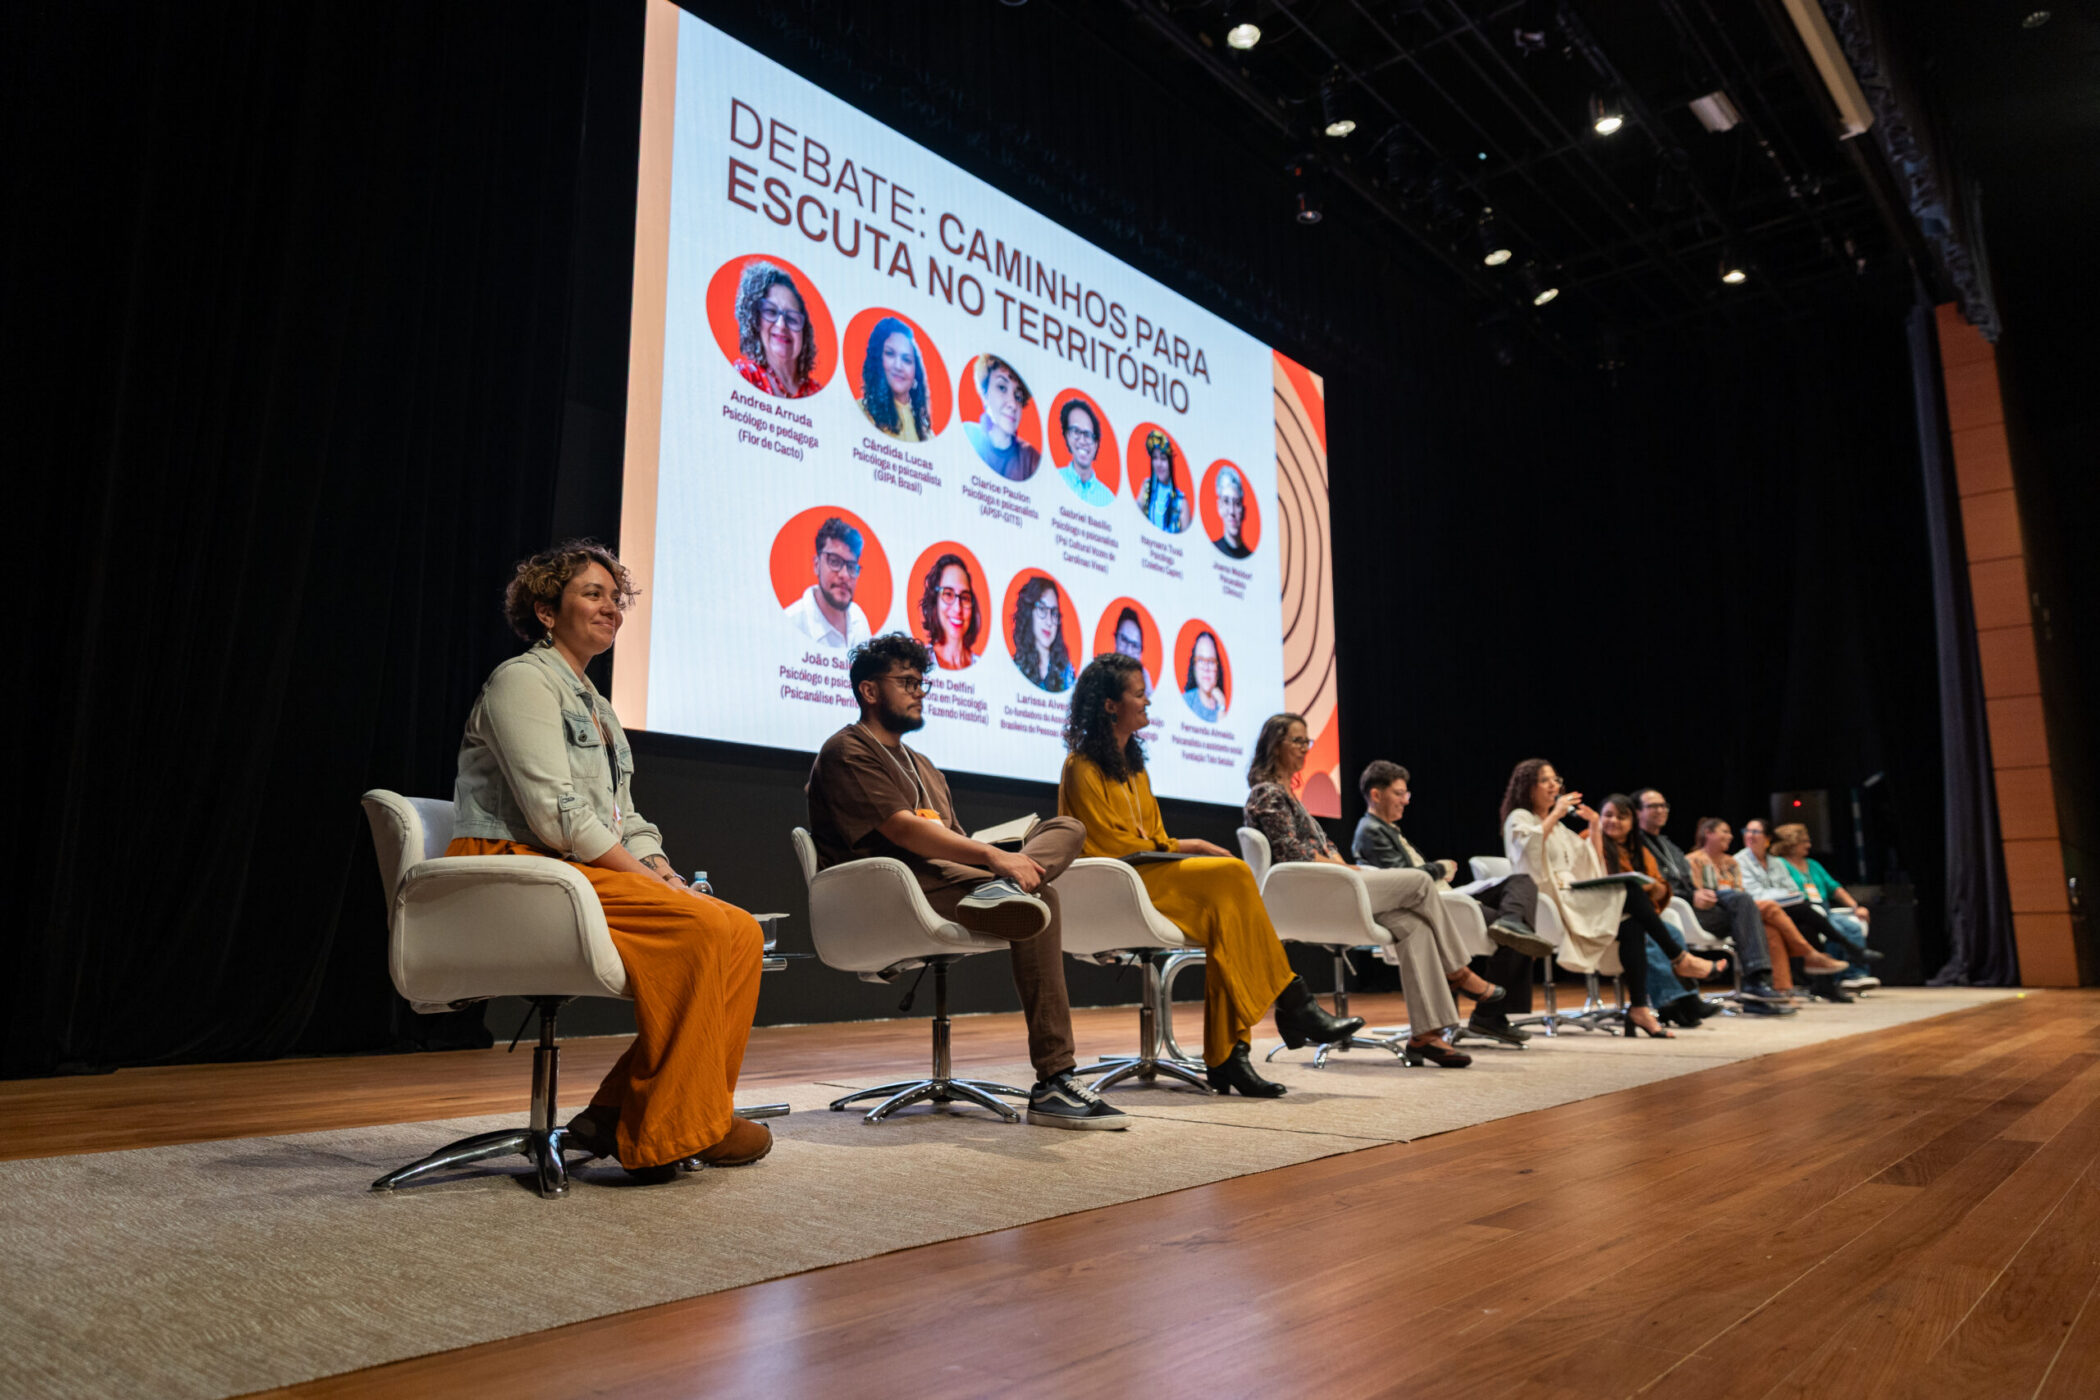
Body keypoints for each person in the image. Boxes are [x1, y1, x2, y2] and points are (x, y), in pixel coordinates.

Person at [449, 541, 769, 1180]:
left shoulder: (598, 706)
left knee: (738, 928)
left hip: (572, 869)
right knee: (703, 929)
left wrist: (670, 878)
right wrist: (658, 888)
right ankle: (669, 1130)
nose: (611, 609)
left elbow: (628, 818)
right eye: (592, 595)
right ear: (545, 611)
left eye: (615, 599)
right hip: (516, 868)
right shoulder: (522, 681)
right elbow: (555, 816)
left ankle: (636, 1113)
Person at [804, 634, 1125, 1130]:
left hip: (946, 880)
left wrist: (999, 859)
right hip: (890, 891)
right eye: (906, 682)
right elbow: (904, 829)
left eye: (921, 682)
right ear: (869, 691)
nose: (919, 692)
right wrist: (995, 859)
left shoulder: (924, 765)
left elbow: (949, 836)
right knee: (1046, 901)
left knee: (1066, 828)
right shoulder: (846, 749)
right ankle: (1055, 1079)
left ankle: (1002, 892)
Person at [1059, 654, 1364, 1096]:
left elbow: (1155, 837)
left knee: (1229, 915)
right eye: (1139, 694)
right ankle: (1292, 1004)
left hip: (1149, 877)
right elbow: (1109, 845)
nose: (1148, 702)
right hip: (1119, 887)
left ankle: (1229, 1058)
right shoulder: (1081, 767)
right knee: (1232, 877)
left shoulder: (1135, 766)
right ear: (1109, 705)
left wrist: (1192, 845)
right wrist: (1180, 848)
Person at [1246, 721, 1495, 1067]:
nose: (1306, 747)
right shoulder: (1266, 794)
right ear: (1275, 745)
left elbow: (1323, 847)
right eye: (1298, 740)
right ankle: (1458, 970)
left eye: (1308, 740)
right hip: (1314, 894)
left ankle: (1427, 1035)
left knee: (1413, 925)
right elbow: (1291, 852)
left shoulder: (1286, 794)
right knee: (1420, 883)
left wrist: (1341, 865)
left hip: (1329, 885)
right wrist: (1346, 870)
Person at [1498, 759, 1714, 1041]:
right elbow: (1526, 856)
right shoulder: (1520, 818)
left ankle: (1638, 1008)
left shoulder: (1562, 829)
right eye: (1546, 780)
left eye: (1556, 780)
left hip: (1572, 897)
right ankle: (1680, 957)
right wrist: (1556, 814)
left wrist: (1595, 825)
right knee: (1631, 890)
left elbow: (1591, 865)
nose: (1555, 786)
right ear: (1528, 786)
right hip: (1548, 902)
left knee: (1634, 926)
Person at [1352, 760, 1553, 1047]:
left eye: (1406, 794)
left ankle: (1511, 924)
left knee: (1521, 883)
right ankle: (1488, 1013)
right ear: (1376, 795)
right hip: (1430, 903)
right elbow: (1403, 881)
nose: (1405, 801)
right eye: (1399, 794)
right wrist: (1439, 868)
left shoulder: (1389, 829)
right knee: (1517, 928)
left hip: (1442, 896)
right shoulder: (1371, 831)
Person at [1631, 789, 1791, 1014]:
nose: (1660, 810)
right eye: (1653, 806)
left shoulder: (1669, 845)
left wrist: (1700, 892)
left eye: (1663, 805)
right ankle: (1757, 987)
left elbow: (1688, 881)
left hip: (1697, 904)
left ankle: (1758, 984)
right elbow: (1650, 885)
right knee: (1760, 915)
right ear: (1637, 812)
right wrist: (1692, 896)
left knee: (1743, 902)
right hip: (1674, 909)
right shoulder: (1636, 844)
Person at [1591, 795, 1723, 1036]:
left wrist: (1649, 886)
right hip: (1597, 912)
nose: (1614, 821)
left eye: (1621, 817)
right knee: (1634, 895)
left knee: (1655, 928)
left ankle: (1652, 1007)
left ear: (1632, 822)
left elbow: (1661, 887)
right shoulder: (1590, 839)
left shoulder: (1638, 850)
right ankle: (1680, 981)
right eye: (1608, 815)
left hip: (1630, 918)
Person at [1685, 817, 1845, 999]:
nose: (1731, 836)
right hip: (1712, 914)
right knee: (1771, 907)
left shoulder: (1731, 862)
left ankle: (1780, 991)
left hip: (1738, 912)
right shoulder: (1693, 861)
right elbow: (1698, 895)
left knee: (1771, 929)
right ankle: (1809, 954)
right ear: (1708, 833)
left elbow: (1739, 890)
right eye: (1725, 831)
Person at [1738, 818, 1857, 1002]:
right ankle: (1829, 953)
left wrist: (1855, 906)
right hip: (1759, 912)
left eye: (1755, 832)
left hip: (1782, 913)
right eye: (1747, 831)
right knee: (1802, 912)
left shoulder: (1776, 862)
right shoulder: (1739, 860)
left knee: (1804, 926)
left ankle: (1807, 987)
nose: (1749, 835)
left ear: (1768, 838)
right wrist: (1779, 894)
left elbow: (1793, 889)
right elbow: (1754, 894)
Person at [1771, 823, 1880, 991]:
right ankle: (1835, 976)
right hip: (1801, 910)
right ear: (1791, 843)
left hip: (1825, 908)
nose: (1808, 845)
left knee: (1852, 926)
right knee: (1834, 928)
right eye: (1804, 841)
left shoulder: (1813, 864)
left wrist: (1855, 906)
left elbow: (1834, 887)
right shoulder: (1779, 864)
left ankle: (1857, 975)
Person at [731, 261, 819, 399]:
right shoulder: (742, 376)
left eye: (791, 318)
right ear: (755, 320)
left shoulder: (818, 393)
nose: (781, 325)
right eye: (771, 312)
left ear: (804, 332)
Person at [782, 516, 871, 650]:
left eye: (851, 566)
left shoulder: (859, 619)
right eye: (834, 562)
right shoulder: (791, 623)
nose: (845, 575)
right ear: (816, 565)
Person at [963, 354, 1040, 481]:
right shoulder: (967, 434)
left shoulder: (1031, 459)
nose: (1013, 404)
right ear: (984, 393)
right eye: (1002, 388)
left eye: (1018, 396)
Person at [857, 316, 931, 441]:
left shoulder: (926, 433)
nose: (898, 366)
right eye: (890, 354)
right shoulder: (860, 411)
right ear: (877, 360)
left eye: (906, 360)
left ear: (915, 372)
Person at [1011, 576, 1075, 692]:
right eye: (1042, 609)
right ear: (1029, 612)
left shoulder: (1067, 674)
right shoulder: (1015, 667)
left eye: (1054, 613)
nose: (1049, 621)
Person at [917, 553, 978, 672]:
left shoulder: (984, 667)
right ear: (934, 601)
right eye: (948, 594)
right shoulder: (919, 663)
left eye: (964, 597)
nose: (957, 608)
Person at [1056, 399, 1115, 507]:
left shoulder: (1107, 498)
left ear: (1096, 444)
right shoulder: (1055, 478)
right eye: (1076, 432)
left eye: (1088, 434)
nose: (1082, 441)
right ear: (1067, 436)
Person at [1135, 430, 1190, 533]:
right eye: (1155, 458)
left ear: (1170, 463)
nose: (1158, 464)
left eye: (1163, 459)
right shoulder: (1146, 487)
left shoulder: (1181, 501)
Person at [1181, 630, 1228, 721]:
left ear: (1217, 669)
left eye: (1211, 661)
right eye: (1201, 660)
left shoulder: (1223, 704)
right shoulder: (1186, 701)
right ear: (1194, 666)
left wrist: (1222, 706)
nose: (1206, 668)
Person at [1109, 607, 1154, 696]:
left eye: (1134, 645)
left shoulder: (1146, 683)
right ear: (1115, 639)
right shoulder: (1100, 674)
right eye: (1124, 640)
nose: (1128, 650)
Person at [1211, 465, 1253, 559]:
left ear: (1243, 510)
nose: (1231, 511)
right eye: (1226, 501)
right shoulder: (1212, 550)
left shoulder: (1250, 557)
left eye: (1237, 503)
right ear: (1219, 507)